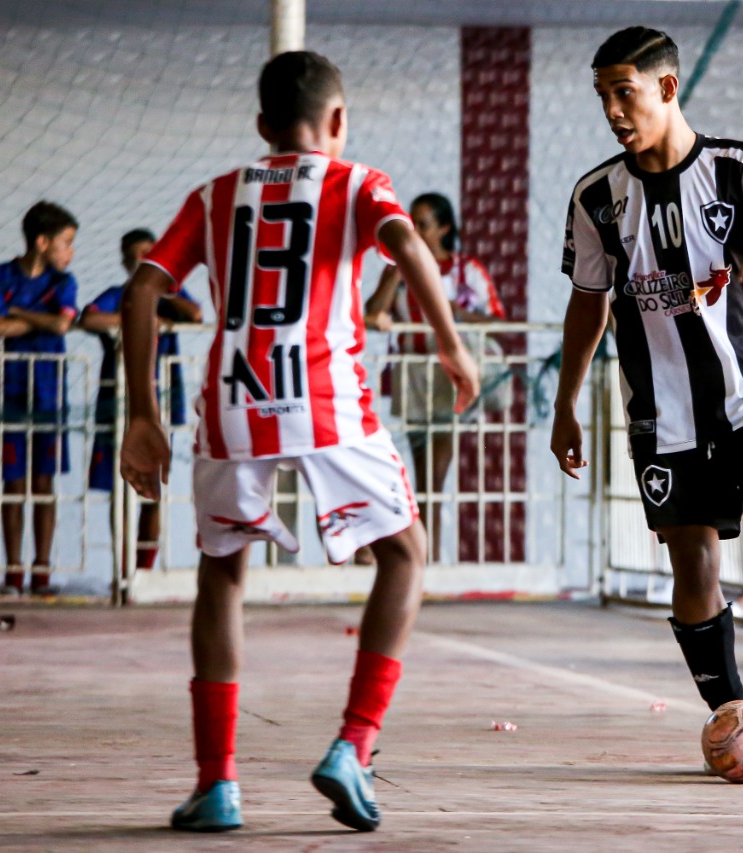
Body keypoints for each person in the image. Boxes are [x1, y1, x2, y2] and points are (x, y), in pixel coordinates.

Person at [118, 51, 478, 833]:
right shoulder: (354, 181)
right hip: (325, 398)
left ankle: (217, 785)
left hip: (232, 399)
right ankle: (353, 745)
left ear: (261, 128)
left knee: (222, 576)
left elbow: (143, 286)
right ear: (339, 123)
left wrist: (142, 415)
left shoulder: (215, 194)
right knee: (406, 554)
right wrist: (451, 344)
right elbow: (410, 243)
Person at [551, 27, 743, 739]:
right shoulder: (598, 194)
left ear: (666, 88)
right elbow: (587, 301)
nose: (611, 110)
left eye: (623, 93)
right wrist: (566, 403)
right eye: (602, 96)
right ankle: (731, 713)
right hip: (661, 409)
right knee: (693, 562)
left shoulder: (738, 167)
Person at [364, 192, 505, 560]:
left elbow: (497, 320)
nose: (414, 231)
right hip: (414, 375)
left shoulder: (466, 270)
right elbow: (371, 312)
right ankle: (424, 558)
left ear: (443, 228)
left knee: (433, 478)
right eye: (410, 223)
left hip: (449, 376)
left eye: (422, 224)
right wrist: (394, 278)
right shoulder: (398, 269)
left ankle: (427, 559)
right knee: (419, 472)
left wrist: (455, 312)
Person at [79, 229, 201, 575]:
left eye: (152, 255)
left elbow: (195, 315)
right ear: (125, 260)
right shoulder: (118, 295)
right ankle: (123, 570)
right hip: (119, 406)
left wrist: (165, 287)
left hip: (162, 406)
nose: (144, 262)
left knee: (154, 488)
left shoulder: (172, 296)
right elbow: (88, 318)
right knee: (122, 487)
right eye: (137, 256)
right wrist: (138, 319)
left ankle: (143, 570)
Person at [0, 201, 79, 596]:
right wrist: (36, 318)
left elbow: (61, 323)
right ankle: (14, 569)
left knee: (44, 483)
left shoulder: (64, 282)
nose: (70, 252)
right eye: (66, 243)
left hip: (49, 392)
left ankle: (42, 568)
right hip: (9, 390)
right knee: (13, 484)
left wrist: (21, 311)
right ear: (41, 242)